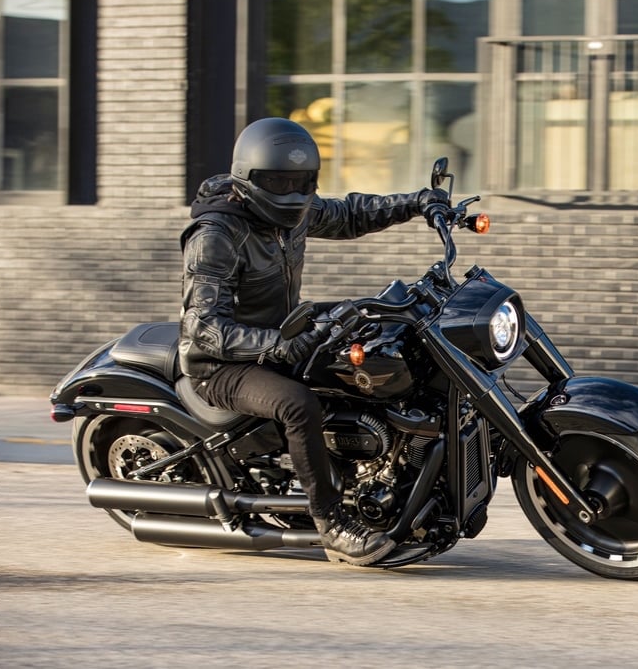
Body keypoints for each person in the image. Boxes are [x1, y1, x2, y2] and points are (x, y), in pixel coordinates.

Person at [178, 117, 449, 566]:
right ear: (249, 180)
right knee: (298, 404)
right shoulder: (216, 236)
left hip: (282, 331)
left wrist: (418, 202)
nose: (290, 192)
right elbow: (204, 328)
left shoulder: (295, 214)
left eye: (300, 181)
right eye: (278, 181)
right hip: (221, 364)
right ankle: (332, 524)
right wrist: (276, 346)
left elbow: (351, 214)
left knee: (374, 321)